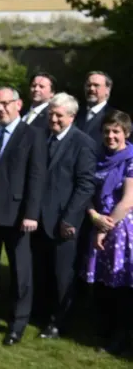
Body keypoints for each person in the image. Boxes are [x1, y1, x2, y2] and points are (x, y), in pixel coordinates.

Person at [0, 88, 46, 346]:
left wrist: (31, 213)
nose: (1, 108)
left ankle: (17, 324)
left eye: (6, 104)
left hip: (18, 216)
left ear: (19, 104)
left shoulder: (33, 134)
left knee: (20, 273)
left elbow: (37, 177)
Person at [32, 92, 96, 339]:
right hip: (39, 219)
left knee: (62, 275)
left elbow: (85, 185)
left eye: (59, 115)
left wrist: (69, 219)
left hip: (64, 221)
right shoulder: (42, 137)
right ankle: (42, 313)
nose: (53, 119)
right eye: (51, 114)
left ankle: (59, 322)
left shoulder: (83, 143)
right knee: (42, 270)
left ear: (72, 116)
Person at [82, 110, 133, 354]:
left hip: (122, 228)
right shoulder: (97, 157)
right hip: (99, 221)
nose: (110, 136)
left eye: (116, 131)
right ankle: (104, 330)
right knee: (103, 285)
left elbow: (127, 200)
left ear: (126, 133)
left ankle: (120, 337)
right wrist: (93, 216)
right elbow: (87, 192)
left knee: (120, 285)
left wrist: (104, 227)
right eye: (106, 131)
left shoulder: (131, 159)